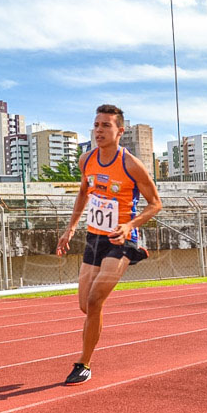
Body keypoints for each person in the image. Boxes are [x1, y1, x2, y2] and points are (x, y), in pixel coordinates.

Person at [55, 104, 162, 386]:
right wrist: (70, 228)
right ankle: (89, 346)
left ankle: (83, 364)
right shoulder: (85, 160)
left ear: (120, 131)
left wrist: (129, 225)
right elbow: (82, 193)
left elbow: (156, 204)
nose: (99, 130)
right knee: (85, 306)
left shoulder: (131, 164)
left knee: (94, 301)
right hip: (94, 238)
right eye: (96, 125)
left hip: (122, 239)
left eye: (106, 126)